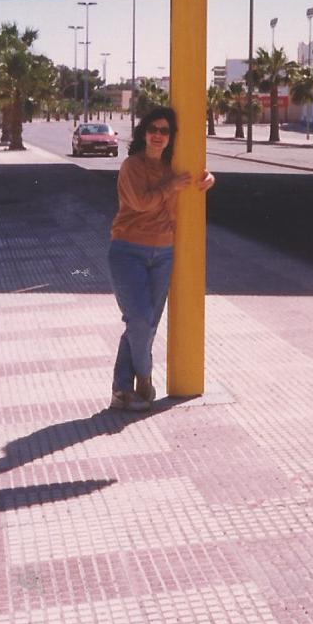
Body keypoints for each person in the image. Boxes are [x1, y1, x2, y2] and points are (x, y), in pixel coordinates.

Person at [107, 105, 215, 411]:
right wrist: (170, 187)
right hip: (128, 250)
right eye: (153, 129)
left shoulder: (173, 167)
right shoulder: (132, 166)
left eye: (164, 131)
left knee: (146, 324)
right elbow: (140, 202)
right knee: (139, 320)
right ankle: (144, 376)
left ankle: (121, 391)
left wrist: (209, 178)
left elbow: (195, 180)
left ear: (171, 138)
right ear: (144, 133)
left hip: (164, 253)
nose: (158, 135)